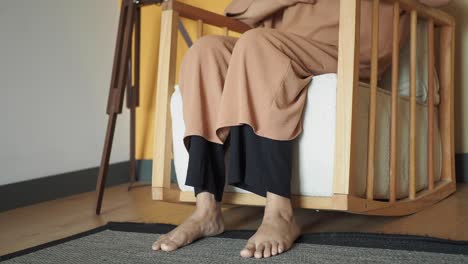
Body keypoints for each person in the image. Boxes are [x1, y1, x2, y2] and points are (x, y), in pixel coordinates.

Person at [152, 0, 451, 259]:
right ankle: (206, 210)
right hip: (284, 45)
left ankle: (279, 211)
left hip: (349, 48)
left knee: (257, 43)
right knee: (206, 51)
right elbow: (239, 11)